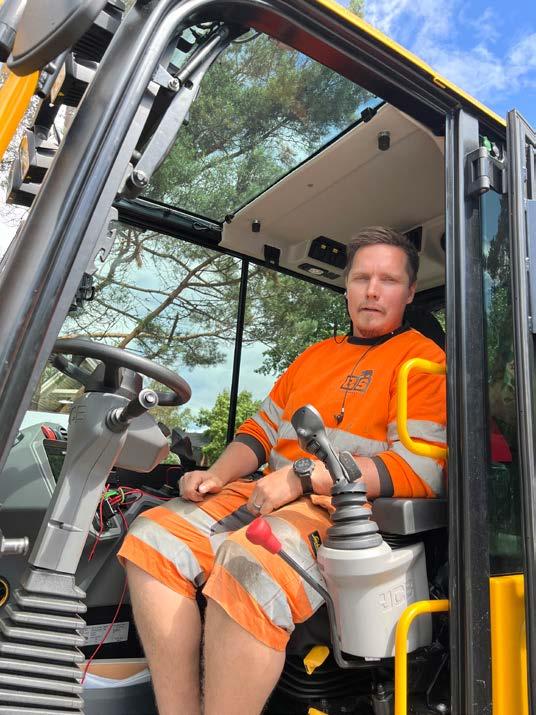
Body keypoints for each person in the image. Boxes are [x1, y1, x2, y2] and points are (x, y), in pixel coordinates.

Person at [118, 226, 446, 715]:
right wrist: (218, 475)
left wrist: (301, 477)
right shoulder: (314, 357)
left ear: (410, 291)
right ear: (347, 287)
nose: (372, 291)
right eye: (361, 278)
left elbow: (420, 468)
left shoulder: (423, 362)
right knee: (151, 539)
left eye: (388, 280)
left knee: (248, 563)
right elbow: (260, 431)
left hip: (344, 510)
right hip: (266, 491)